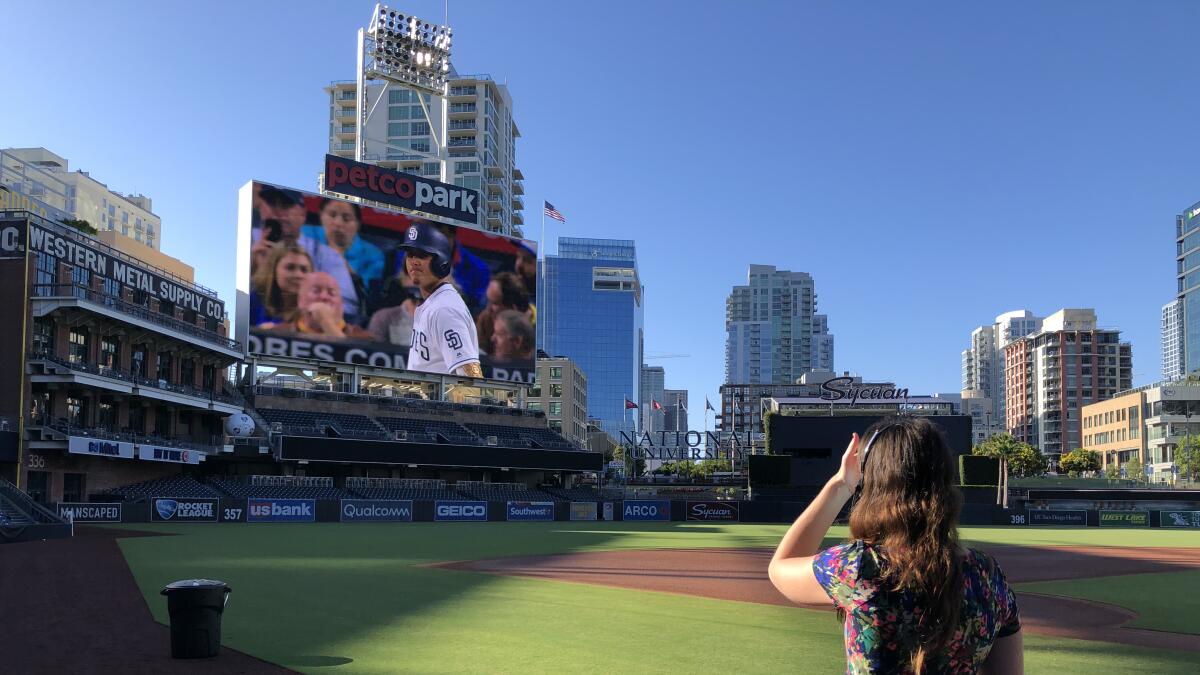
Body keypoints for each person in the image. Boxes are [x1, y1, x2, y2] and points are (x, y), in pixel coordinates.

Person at [768, 417, 1023, 674]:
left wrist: (841, 484)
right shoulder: (989, 577)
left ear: (874, 480)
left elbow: (780, 569)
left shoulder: (858, 567)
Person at [250, 186, 361, 321]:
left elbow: (349, 308)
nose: (277, 212)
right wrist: (252, 268)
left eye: (285, 205)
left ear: (302, 214)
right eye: (271, 204)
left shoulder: (326, 255)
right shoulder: (245, 240)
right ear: (261, 209)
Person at [401, 222, 482, 378]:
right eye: (410, 254)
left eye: (422, 254)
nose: (414, 261)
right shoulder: (433, 303)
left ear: (441, 262)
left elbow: (472, 380)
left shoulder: (445, 309)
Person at [302, 198, 385, 290]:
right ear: (321, 215)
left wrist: (339, 259)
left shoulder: (373, 256)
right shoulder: (304, 234)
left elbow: (365, 294)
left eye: (346, 219)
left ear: (357, 224)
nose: (338, 223)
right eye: (332, 215)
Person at [267, 272, 374, 340]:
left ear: (341, 304)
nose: (324, 297)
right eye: (316, 291)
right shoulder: (277, 334)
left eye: (331, 293)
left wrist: (326, 322)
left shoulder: (363, 338)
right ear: (300, 301)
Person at [249, 242, 312, 328]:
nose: (298, 275)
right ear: (273, 270)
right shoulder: (254, 299)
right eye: (290, 267)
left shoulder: (316, 307)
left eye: (304, 270)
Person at [475, 272, 531, 354]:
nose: (488, 309)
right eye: (488, 301)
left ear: (512, 308)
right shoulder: (485, 318)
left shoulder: (540, 332)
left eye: (495, 303)